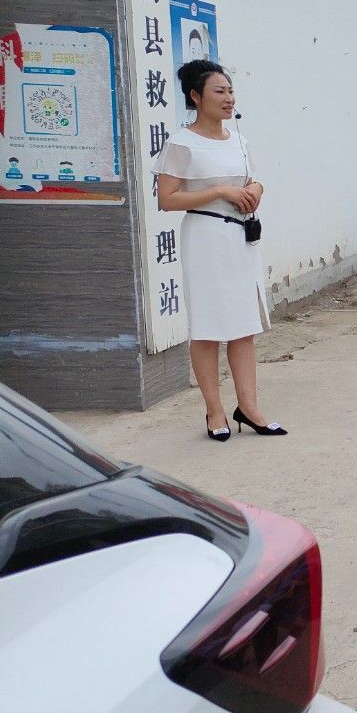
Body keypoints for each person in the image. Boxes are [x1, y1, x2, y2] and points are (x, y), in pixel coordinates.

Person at [155, 60, 283, 440]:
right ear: (196, 96)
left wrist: (255, 190)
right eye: (219, 91)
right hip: (205, 239)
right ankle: (214, 410)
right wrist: (220, 191)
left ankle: (249, 407)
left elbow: (254, 179)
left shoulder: (239, 140)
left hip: (240, 239)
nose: (229, 98)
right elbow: (167, 199)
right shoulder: (181, 143)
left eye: (230, 91)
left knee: (244, 326)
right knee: (208, 327)